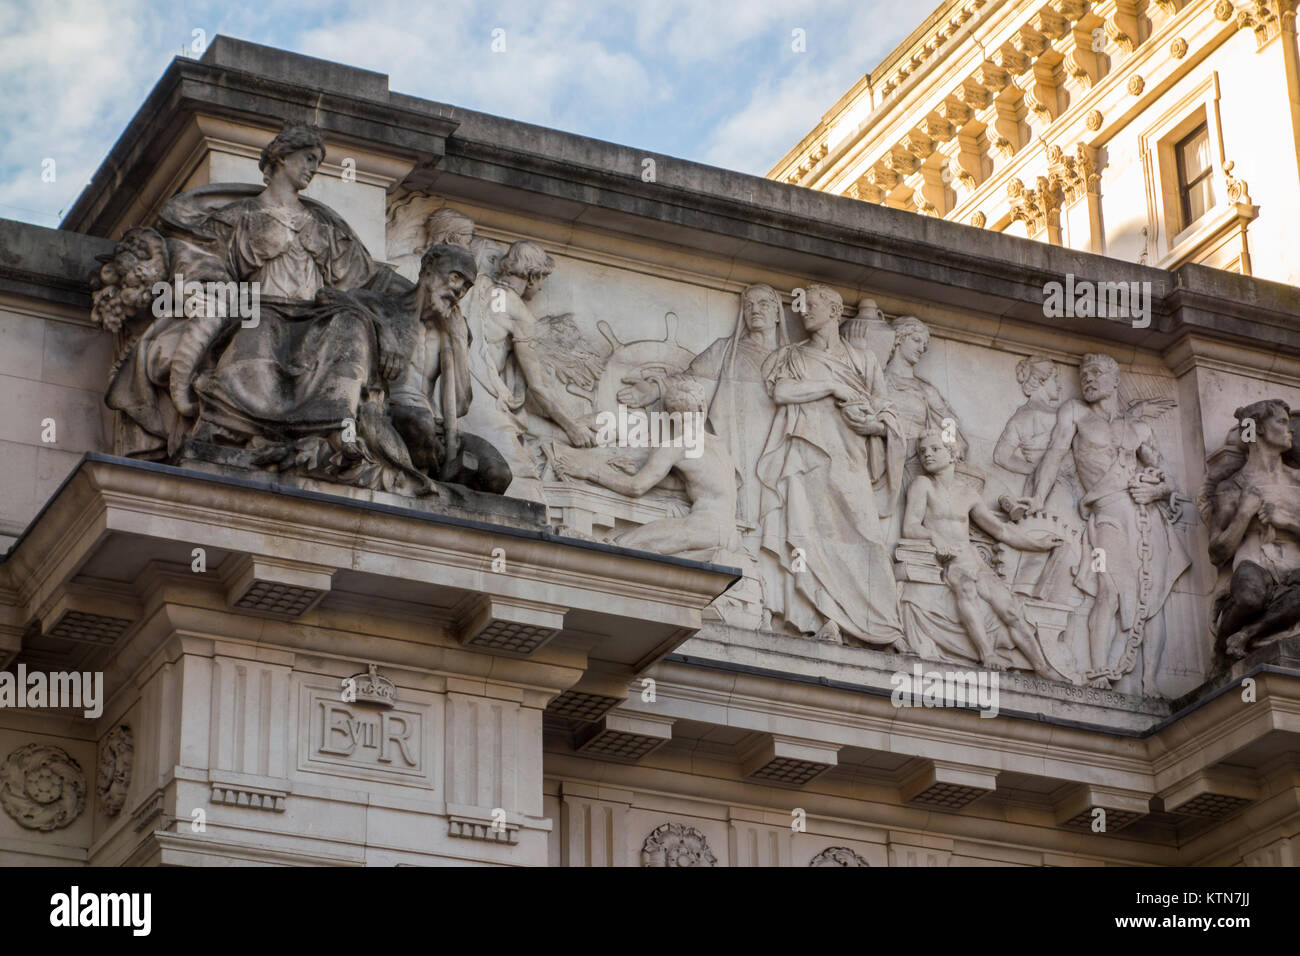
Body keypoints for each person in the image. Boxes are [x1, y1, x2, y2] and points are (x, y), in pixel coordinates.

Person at [1028, 353, 1190, 693]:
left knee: (1155, 597)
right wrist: (1037, 500)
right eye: (1084, 373)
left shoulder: (1139, 428)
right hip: (1108, 515)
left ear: (1115, 380)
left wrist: (1156, 490)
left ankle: (1149, 683)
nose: (1088, 378)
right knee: (1109, 590)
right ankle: (1099, 670)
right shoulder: (1076, 414)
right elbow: (1055, 455)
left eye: (1097, 372)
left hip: (1146, 518)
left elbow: (1168, 480)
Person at [756, 283, 905, 646]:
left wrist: (875, 426)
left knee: (866, 536)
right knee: (809, 537)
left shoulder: (863, 359)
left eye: (812, 305)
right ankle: (827, 618)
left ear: (835, 311)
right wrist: (832, 388)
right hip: (808, 457)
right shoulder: (793, 355)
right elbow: (782, 392)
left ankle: (885, 626)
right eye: (801, 306)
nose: (804, 311)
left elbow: (885, 407)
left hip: (852, 457)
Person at [903, 429, 1067, 678]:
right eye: (922, 451)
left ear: (952, 454)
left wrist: (1038, 544)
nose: (927, 455)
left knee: (1010, 609)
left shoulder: (968, 494)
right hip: (952, 562)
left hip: (975, 560)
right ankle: (986, 654)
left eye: (934, 449)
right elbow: (910, 526)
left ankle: (1041, 666)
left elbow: (1001, 530)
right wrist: (934, 538)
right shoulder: (923, 485)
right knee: (966, 589)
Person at [459, 240, 596, 501]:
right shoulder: (520, 314)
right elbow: (538, 387)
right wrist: (572, 427)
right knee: (523, 480)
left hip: (449, 389)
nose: (541, 286)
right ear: (532, 277)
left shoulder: (477, 287)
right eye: (542, 278)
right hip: (479, 400)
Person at [551, 374, 737, 560]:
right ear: (702, 408)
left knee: (626, 544)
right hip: (730, 533)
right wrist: (649, 474)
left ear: (671, 415)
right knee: (640, 547)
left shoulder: (676, 446)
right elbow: (697, 483)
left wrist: (590, 472)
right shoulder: (720, 446)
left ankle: (581, 549)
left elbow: (636, 487)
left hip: (702, 527)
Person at [1204, 399, 1300, 658]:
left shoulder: (1297, 481)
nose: (1289, 429)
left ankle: (1246, 634)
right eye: (1281, 421)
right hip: (1254, 561)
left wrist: (1287, 522)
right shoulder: (1233, 486)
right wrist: (1244, 514)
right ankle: (1221, 650)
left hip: (1295, 567)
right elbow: (1217, 552)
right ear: (1257, 429)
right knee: (1250, 597)